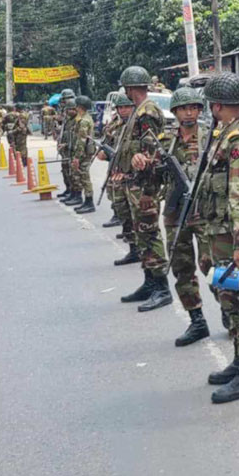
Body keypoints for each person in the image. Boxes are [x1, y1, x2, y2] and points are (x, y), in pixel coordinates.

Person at [198, 73, 239, 404]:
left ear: (218, 104)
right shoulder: (227, 132)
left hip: (231, 233)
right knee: (228, 295)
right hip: (221, 230)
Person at [113, 66, 171, 309]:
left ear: (129, 87)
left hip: (144, 185)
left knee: (149, 233)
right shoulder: (139, 111)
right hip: (134, 182)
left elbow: (150, 156)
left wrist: (148, 191)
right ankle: (149, 282)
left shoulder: (147, 112)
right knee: (141, 234)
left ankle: (161, 287)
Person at [161, 88, 211, 343]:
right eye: (183, 108)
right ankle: (197, 319)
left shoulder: (211, 139)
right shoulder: (165, 142)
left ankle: (229, 310)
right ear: (175, 112)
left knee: (212, 266)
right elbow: (155, 175)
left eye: (193, 107)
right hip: (176, 212)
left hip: (204, 212)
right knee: (182, 267)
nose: (189, 112)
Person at [101, 94, 140, 253]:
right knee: (122, 209)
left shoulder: (137, 126)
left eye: (127, 107)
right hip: (117, 172)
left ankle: (138, 246)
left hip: (133, 176)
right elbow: (111, 148)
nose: (123, 111)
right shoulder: (117, 127)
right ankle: (132, 245)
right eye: (120, 108)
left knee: (136, 214)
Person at [70, 97, 97, 214]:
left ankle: (89, 202)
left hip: (84, 153)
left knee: (84, 177)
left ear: (79, 107)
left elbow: (81, 140)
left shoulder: (84, 121)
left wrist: (77, 157)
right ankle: (87, 201)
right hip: (85, 152)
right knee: (83, 176)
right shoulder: (84, 118)